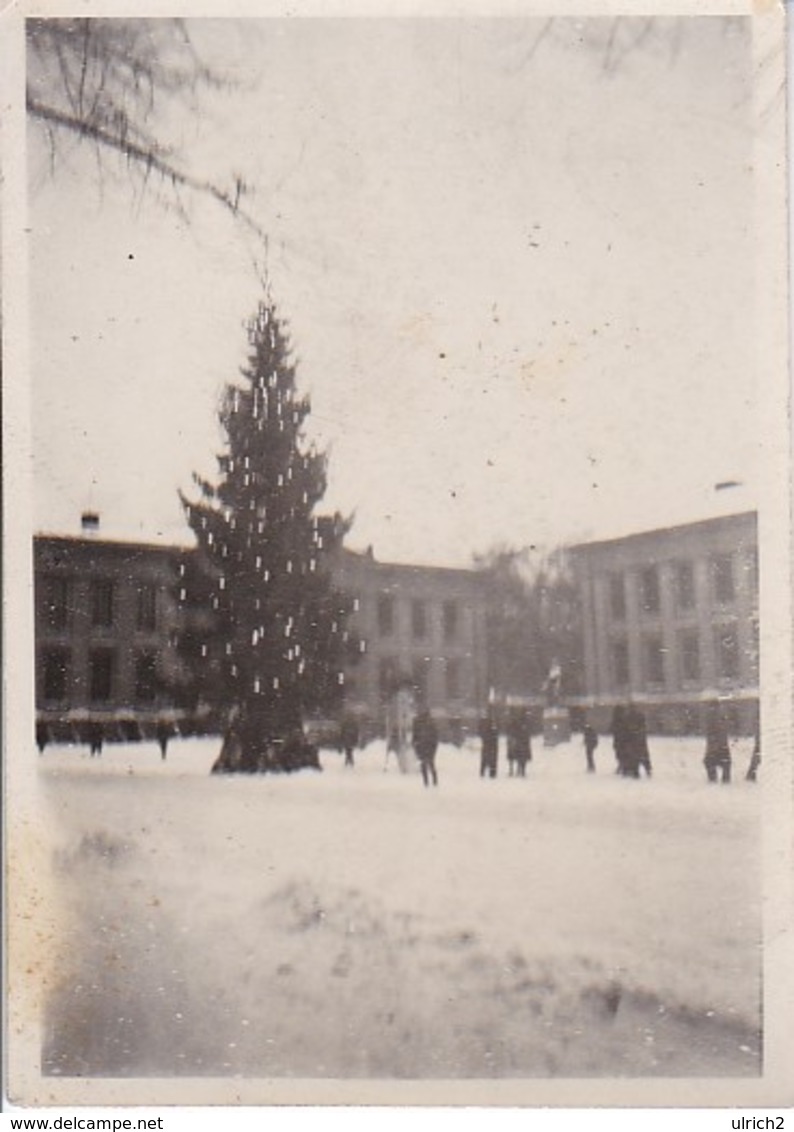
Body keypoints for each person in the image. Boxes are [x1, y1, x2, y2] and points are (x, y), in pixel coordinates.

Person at [703, 699, 731, 784]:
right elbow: (724, 730)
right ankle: (724, 781)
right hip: (722, 745)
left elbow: (711, 731)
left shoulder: (711, 716)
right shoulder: (721, 715)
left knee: (710, 762)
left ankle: (714, 780)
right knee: (725, 763)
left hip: (714, 746)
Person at [412, 707, 439, 787]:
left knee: (425, 764)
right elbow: (435, 736)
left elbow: (415, 736)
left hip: (424, 746)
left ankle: (428, 782)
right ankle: (432, 782)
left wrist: (415, 745)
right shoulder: (428, 722)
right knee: (429, 764)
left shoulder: (419, 722)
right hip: (427, 746)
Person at [624, 702, 652, 778]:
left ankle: (636, 771)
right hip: (639, 739)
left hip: (633, 739)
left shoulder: (627, 717)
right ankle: (647, 770)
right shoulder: (639, 716)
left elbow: (626, 729)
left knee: (634, 756)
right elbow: (643, 726)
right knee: (643, 756)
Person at [507, 708, 532, 778]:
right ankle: (520, 770)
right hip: (521, 741)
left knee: (517, 755)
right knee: (520, 755)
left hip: (521, 740)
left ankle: (518, 770)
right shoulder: (522, 722)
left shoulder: (520, 722)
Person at [479, 710, 499, 779]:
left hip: (489, 745)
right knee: (488, 759)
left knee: (487, 759)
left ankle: (487, 772)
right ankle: (489, 772)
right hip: (490, 745)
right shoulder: (489, 726)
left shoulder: (486, 725)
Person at [610, 705, 628, 775]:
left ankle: (622, 766)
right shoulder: (624, 719)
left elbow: (611, 729)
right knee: (622, 754)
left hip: (619, 741)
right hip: (622, 741)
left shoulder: (616, 720)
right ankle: (622, 766)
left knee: (620, 754)